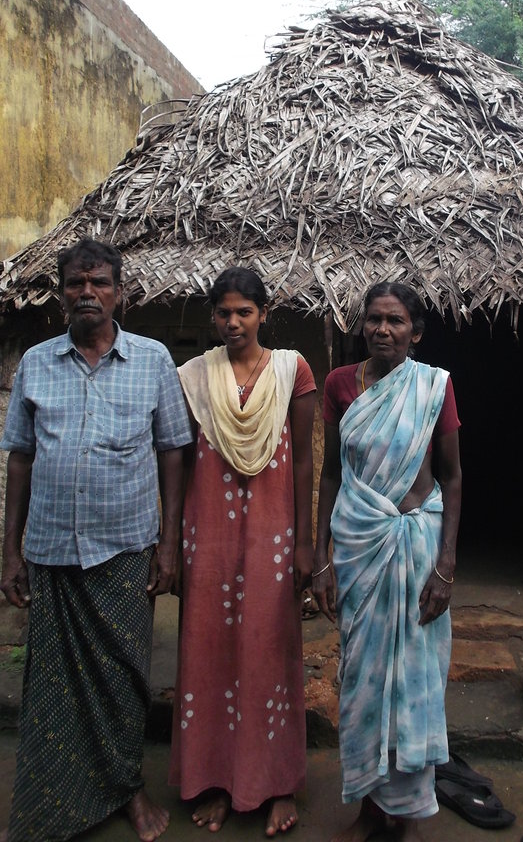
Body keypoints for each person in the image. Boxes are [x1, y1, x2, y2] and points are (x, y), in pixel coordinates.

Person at [0, 238, 192, 842]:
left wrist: (168, 545)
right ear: (61, 294)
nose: (87, 292)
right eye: (76, 284)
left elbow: (173, 452)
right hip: (52, 548)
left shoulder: (153, 360)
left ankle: (126, 788)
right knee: (53, 686)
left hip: (125, 548)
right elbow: (21, 458)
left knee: (124, 678)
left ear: (119, 293)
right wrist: (10, 551)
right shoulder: (36, 364)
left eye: (99, 282)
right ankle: (57, 799)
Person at [168, 267, 316, 836]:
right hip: (208, 532)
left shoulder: (292, 370)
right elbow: (179, 459)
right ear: (213, 317)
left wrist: (304, 542)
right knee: (208, 650)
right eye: (224, 313)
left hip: (273, 534)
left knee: (268, 649)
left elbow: (303, 459)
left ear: (263, 313)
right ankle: (219, 781)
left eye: (244, 312)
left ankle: (276, 784)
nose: (233, 322)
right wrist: (172, 542)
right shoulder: (193, 376)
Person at [312, 283, 462, 842]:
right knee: (361, 680)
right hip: (359, 547)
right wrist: (321, 556)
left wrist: (446, 565)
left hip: (418, 548)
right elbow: (332, 473)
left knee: (415, 680)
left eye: (395, 320)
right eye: (374, 319)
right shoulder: (339, 385)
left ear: (415, 332)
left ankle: (408, 814)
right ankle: (371, 810)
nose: (382, 329)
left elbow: (452, 477)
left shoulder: (433, 386)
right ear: (362, 326)